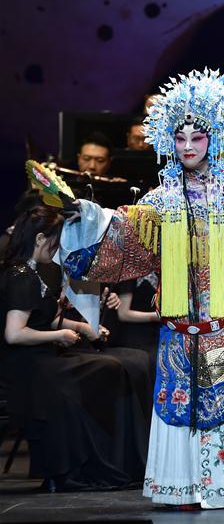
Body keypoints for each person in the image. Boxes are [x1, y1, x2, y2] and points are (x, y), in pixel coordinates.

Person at [56, 69, 224, 507]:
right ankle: (180, 486)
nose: (187, 146)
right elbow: (122, 234)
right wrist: (85, 217)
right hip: (184, 328)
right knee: (181, 409)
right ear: (168, 140)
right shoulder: (159, 201)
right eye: (179, 137)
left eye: (197, 137)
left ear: (216, 136)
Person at [0, 206, 151, 491]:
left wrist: (81, 328)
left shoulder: (34, 272)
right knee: (109, 368)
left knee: (130, 362)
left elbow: (42, 319)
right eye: (57, 240)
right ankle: (87, 464)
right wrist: (59, 334)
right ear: (41, 238)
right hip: (27, 366)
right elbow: (14, 333)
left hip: (42, 356)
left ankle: (123, 460)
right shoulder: (20, 276)